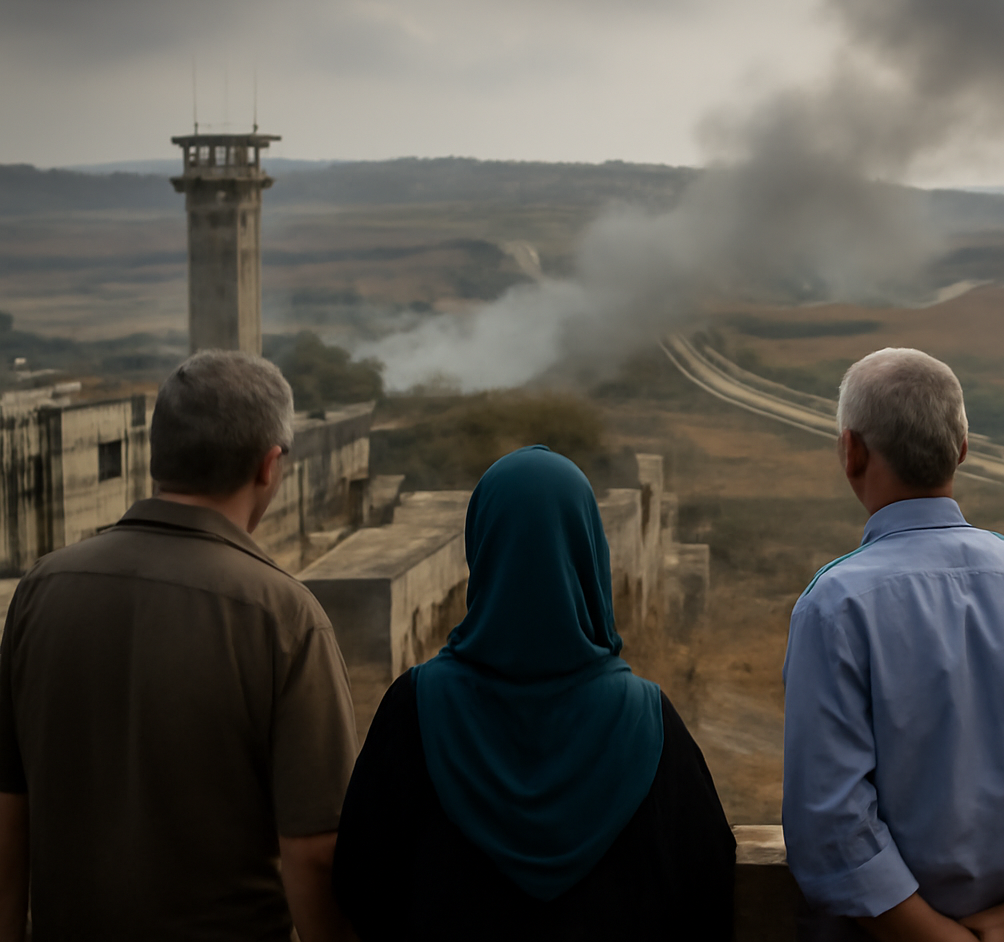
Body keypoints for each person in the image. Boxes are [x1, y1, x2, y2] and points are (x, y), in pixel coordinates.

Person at [0, 350, 358, 941]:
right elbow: (315, 851)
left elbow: (9, 812)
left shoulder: (42, 590)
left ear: (155, 455)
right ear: (270, 465)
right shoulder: (284, 617)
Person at [332, 445, 737, 940]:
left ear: (481, 550)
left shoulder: (414, 708)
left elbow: (359, 881)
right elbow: (708, 888)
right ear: (589, 554)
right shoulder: (647, 721)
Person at [782, 347, 1004, 942]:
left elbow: (829, 812)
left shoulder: (835, 604)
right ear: (962, 447)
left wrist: (927, 933)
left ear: (850, 451)